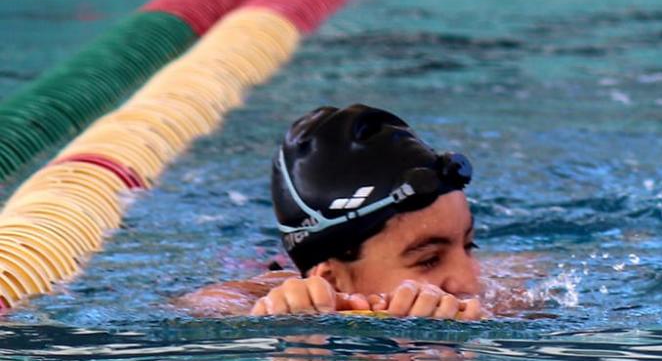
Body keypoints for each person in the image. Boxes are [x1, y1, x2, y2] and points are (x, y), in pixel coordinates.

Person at [180, 105, 488, 319]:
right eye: (429, 260)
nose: (472, 282)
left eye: (468, 245)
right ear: (332, 280)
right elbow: (196, 309)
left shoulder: (505, 298)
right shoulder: (259, 300)